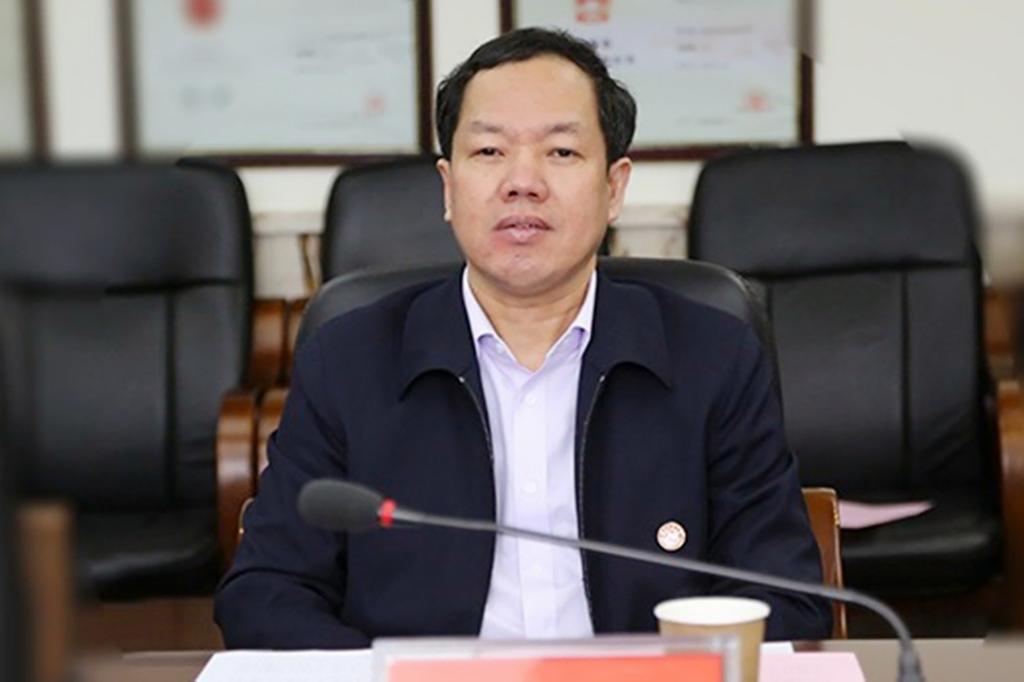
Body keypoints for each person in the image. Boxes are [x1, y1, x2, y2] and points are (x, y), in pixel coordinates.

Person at [215, 28, 831, 648]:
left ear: (614, 188)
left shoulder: (714, 356)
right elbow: (266, 592)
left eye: (561, 151)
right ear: (448, 187)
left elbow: (785, 595)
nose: (522, 181)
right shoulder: (348, 360)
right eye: (489, 151)